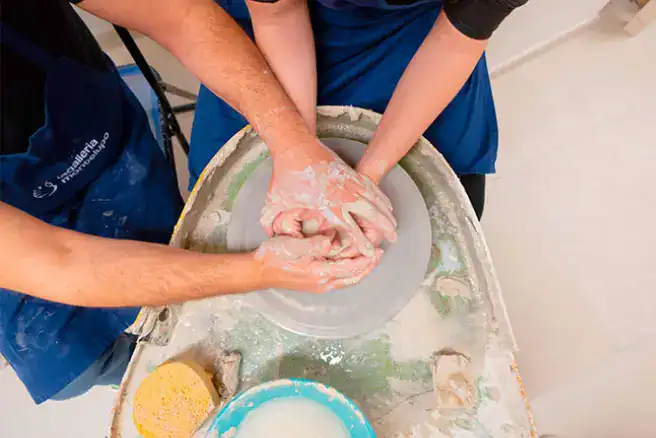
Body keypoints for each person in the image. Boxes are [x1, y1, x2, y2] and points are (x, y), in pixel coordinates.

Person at [1, 0, 390, 404]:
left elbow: (181, 16)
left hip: (92, 128)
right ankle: (161, 365)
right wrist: (258, 272)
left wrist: (294, 146)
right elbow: (59, 262)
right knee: (76, 367)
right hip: (22, 243)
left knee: (180, 238)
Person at [191, 0, 528, 221]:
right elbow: (279, 15)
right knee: (223, 207)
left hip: (416, 25)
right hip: (276, 21)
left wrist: (368, 177)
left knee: (446, 206)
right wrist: (299, 155)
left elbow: (455, 41)